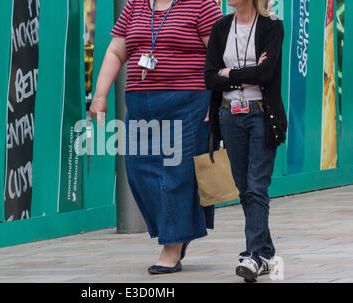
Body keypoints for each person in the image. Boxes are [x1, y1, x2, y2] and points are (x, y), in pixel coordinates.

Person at [90, 0, 223, 274]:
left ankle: (173, 246)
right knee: (137, 170)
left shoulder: (202, 4)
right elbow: (116, 51)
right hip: (141, 103)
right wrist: (100, 95)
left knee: (177, 174)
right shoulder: (135, 6)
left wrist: (217, 101)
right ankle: (178, 230)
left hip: (188, 102)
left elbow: (219, 55)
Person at [204, 0, 287, 282]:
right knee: (244, 188)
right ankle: (265, 253)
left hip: (262, 116)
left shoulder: (272, 26)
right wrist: (243, 76)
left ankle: (253, 255)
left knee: (256, 187)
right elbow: (209, 78)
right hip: (229, 117)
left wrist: (229, 74)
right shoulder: (220, 27)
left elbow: (266, 74)